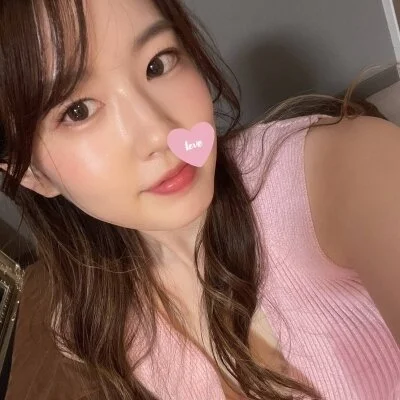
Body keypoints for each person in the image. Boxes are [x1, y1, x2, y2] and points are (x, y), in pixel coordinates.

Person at [1, 0, 399, 399]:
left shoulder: (340, 169)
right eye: (78, 111)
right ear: (33, 173)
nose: (159, 133)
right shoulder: (89, 328)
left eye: (157, 64)